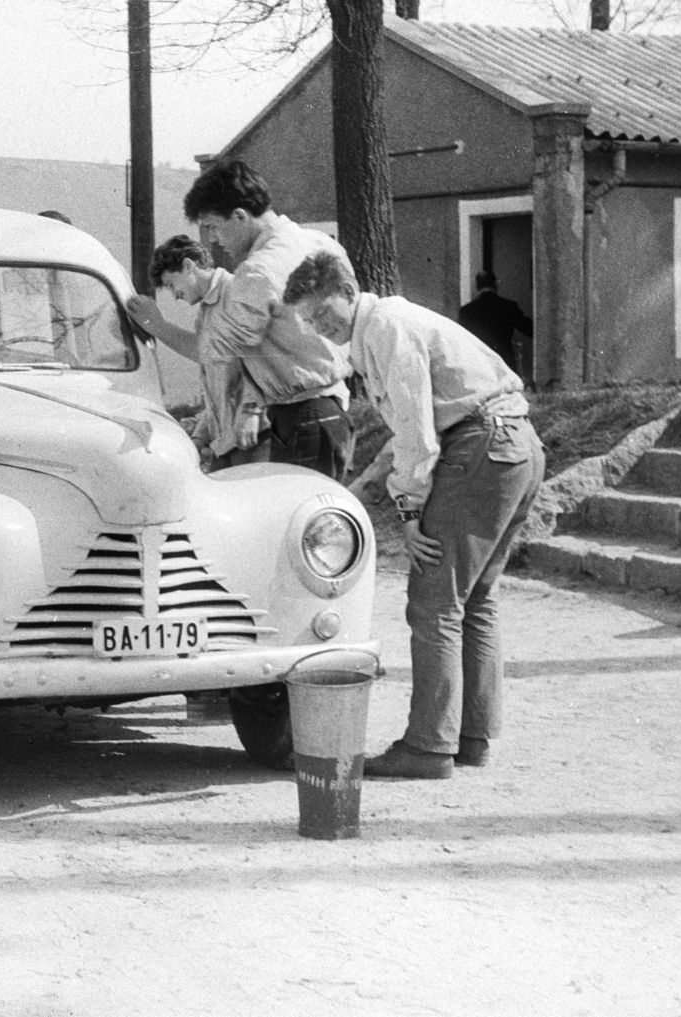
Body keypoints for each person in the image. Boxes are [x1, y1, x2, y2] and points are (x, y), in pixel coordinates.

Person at [284, 250, 544, 780]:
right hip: (518, 444)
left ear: (349, 290)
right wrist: (364, 486)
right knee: (475, 600)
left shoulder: (385, 328)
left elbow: (418, 436)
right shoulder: (385, 326)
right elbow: (409, 431)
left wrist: (408, 509)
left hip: (484, 444)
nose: (321, 325)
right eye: (309, 321)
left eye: (324, 311)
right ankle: (470, 737)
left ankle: (428, 747)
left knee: (433, 603)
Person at [175, 158, 357, 482]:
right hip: (334, 409)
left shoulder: (257, 270)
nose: (213, 240)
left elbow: (218, 354)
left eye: (213, 226)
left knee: (292, 524)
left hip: (302, 418)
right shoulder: (322, 241)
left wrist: (154, 326)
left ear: (240, 216)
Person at [130, 235, 268, 469]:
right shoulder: (208, 311)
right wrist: (200, 435)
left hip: (252, 436)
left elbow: (262, 361)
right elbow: (218, 377)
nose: (175, 295)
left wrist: (251, 412)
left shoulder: (236, 293)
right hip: (226, 442)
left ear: (187, 266)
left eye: (173, 284)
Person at [457, 270, 533, 377]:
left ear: (477, 286)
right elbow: (527, 328)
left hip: (478, 361)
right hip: (504, 359)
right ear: (495, 284)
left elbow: (461, 339)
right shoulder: (508, 306)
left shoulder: (466, 310)